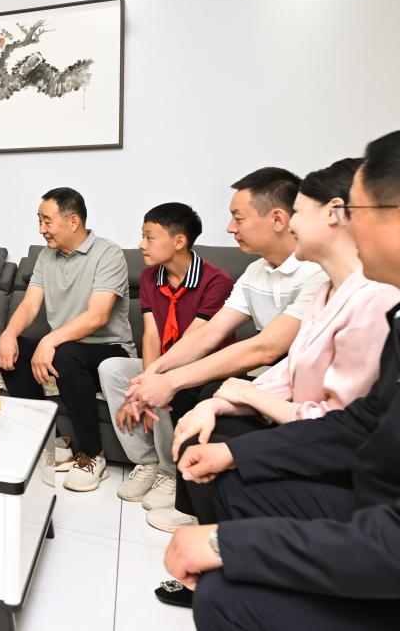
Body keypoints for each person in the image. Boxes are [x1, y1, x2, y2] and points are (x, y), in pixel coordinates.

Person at [164, 131, 400, 630]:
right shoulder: (334, 293)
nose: (292, 222)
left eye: (361, 211)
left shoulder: (376, 300)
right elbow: (357, 419)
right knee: (225, 454)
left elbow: (267, 352)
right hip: (365, 484)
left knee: (223, 598)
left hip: (375, 509)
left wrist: (228, 545)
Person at [126, 167, 327, 532]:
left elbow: (266, 348)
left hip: (299, 383)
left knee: (204, 406)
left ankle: (214, 528)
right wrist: (152, 375)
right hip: (273, 378)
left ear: (278, 219)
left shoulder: (316, 273)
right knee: (198, 408)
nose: (230, 228)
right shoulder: (255, 272)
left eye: (238, 217)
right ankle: (197, 515)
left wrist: (171, 382)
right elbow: (207, 334)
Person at [0, 188, 135, 492]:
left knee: (64, 353)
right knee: (13, 351)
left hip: (109, 352)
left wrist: (49, 342)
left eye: (47, 221)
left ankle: (92, 453)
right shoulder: (47, 257)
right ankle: (54, 441)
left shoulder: (108, 253)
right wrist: (8, 335)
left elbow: (98, 316)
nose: (41, 229)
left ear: (73, 221)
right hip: (66, 348)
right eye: (39, 221)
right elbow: (31, 305)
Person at [99, 203, 234, 512]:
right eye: (142, 236)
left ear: (178, 241)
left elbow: (196, 341)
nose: (141, 245)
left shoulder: (217, 281)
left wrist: (154, 382)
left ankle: (169, 472)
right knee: (112, 368)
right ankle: (146, 463)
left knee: (161, 385)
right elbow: (151, 335)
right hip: (165, 361)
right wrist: (147, 378)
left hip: (203, 369)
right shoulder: (149, 278)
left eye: (149, 237)